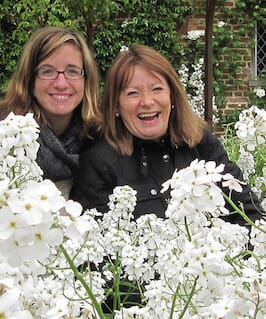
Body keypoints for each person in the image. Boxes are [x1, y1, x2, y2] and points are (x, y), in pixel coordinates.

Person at [70, 44, 263, 225]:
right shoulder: (98, 161)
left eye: (157, 89)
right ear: (116, 106)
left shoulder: (200, 142)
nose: (147, 101)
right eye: (133, 93)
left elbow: (250, 216)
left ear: (172, 96)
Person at [0, 26, 102, 199]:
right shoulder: (6, 138)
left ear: (86, 80)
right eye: (47, 71)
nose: (61, 83)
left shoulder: (100, 138)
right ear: (29, 81)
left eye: (72, 71)